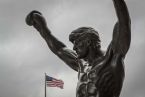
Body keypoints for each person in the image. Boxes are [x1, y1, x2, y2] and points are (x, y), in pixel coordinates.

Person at [26, 0, 131, 97]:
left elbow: (124, 22)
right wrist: (41, 27)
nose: (74, 48)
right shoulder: (81, 64)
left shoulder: (112, 58)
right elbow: (59, 49)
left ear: (88, 42)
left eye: (77, 44)